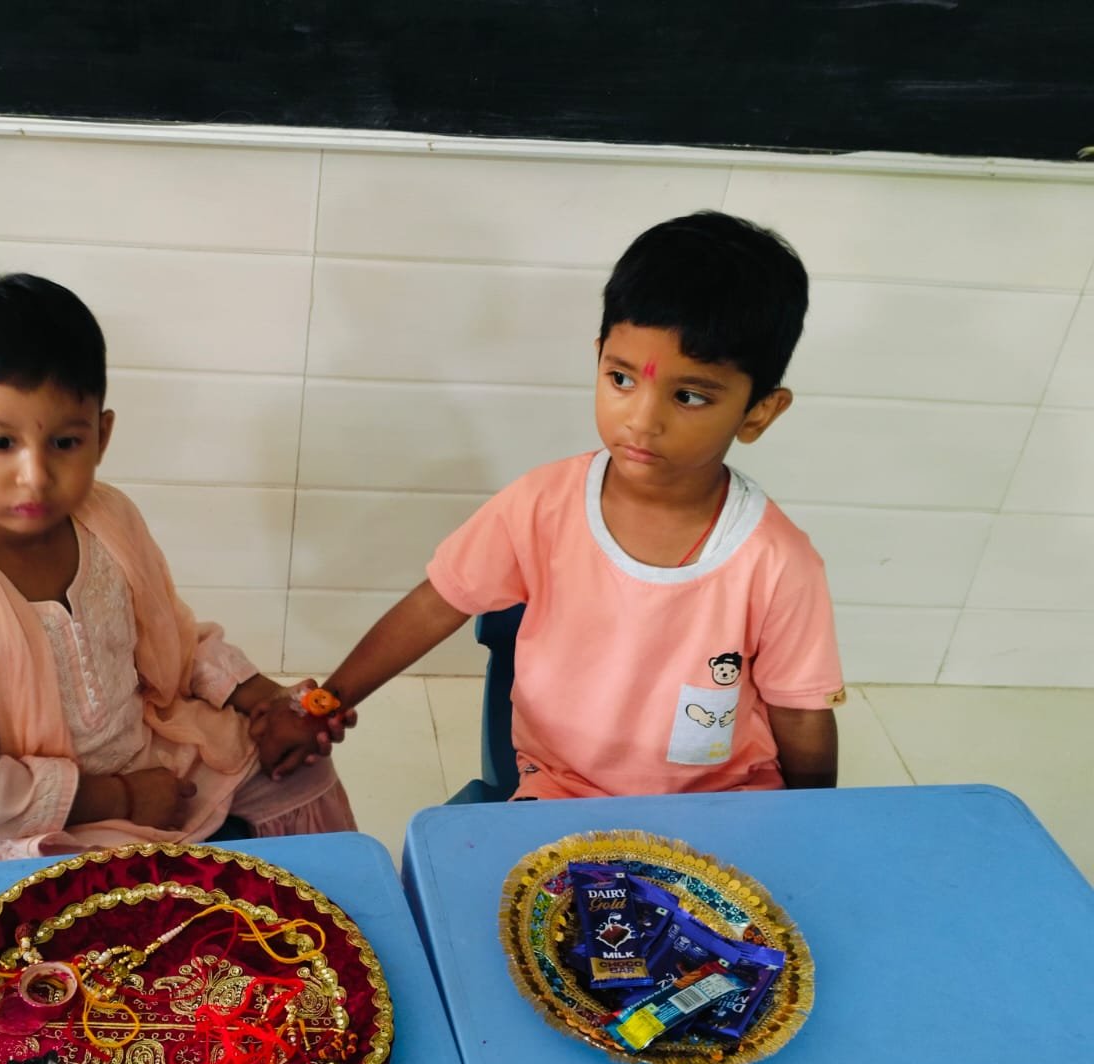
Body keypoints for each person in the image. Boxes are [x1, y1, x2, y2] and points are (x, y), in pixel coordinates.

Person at [267, 212, 843, 799]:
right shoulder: (541, 506)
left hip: (722, 798)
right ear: (599, 358)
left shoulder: (778, 560)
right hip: (563, 789)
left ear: (759, 412)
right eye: (622, 379)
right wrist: (325, 703)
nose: (643, 420)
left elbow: (801, 712)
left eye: (689, 396)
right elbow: (436, 604)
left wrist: (817, 822)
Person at [0, 273, 354, 864]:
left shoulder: (108, 518)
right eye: (0, 443)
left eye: (64, 443)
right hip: (33, 820)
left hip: (151, 748)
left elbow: (171, 637)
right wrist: (120, 797)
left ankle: (324, 901)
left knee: (299, 770)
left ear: (100, 437)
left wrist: (262, 699)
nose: (36, 476)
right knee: (119, 900)